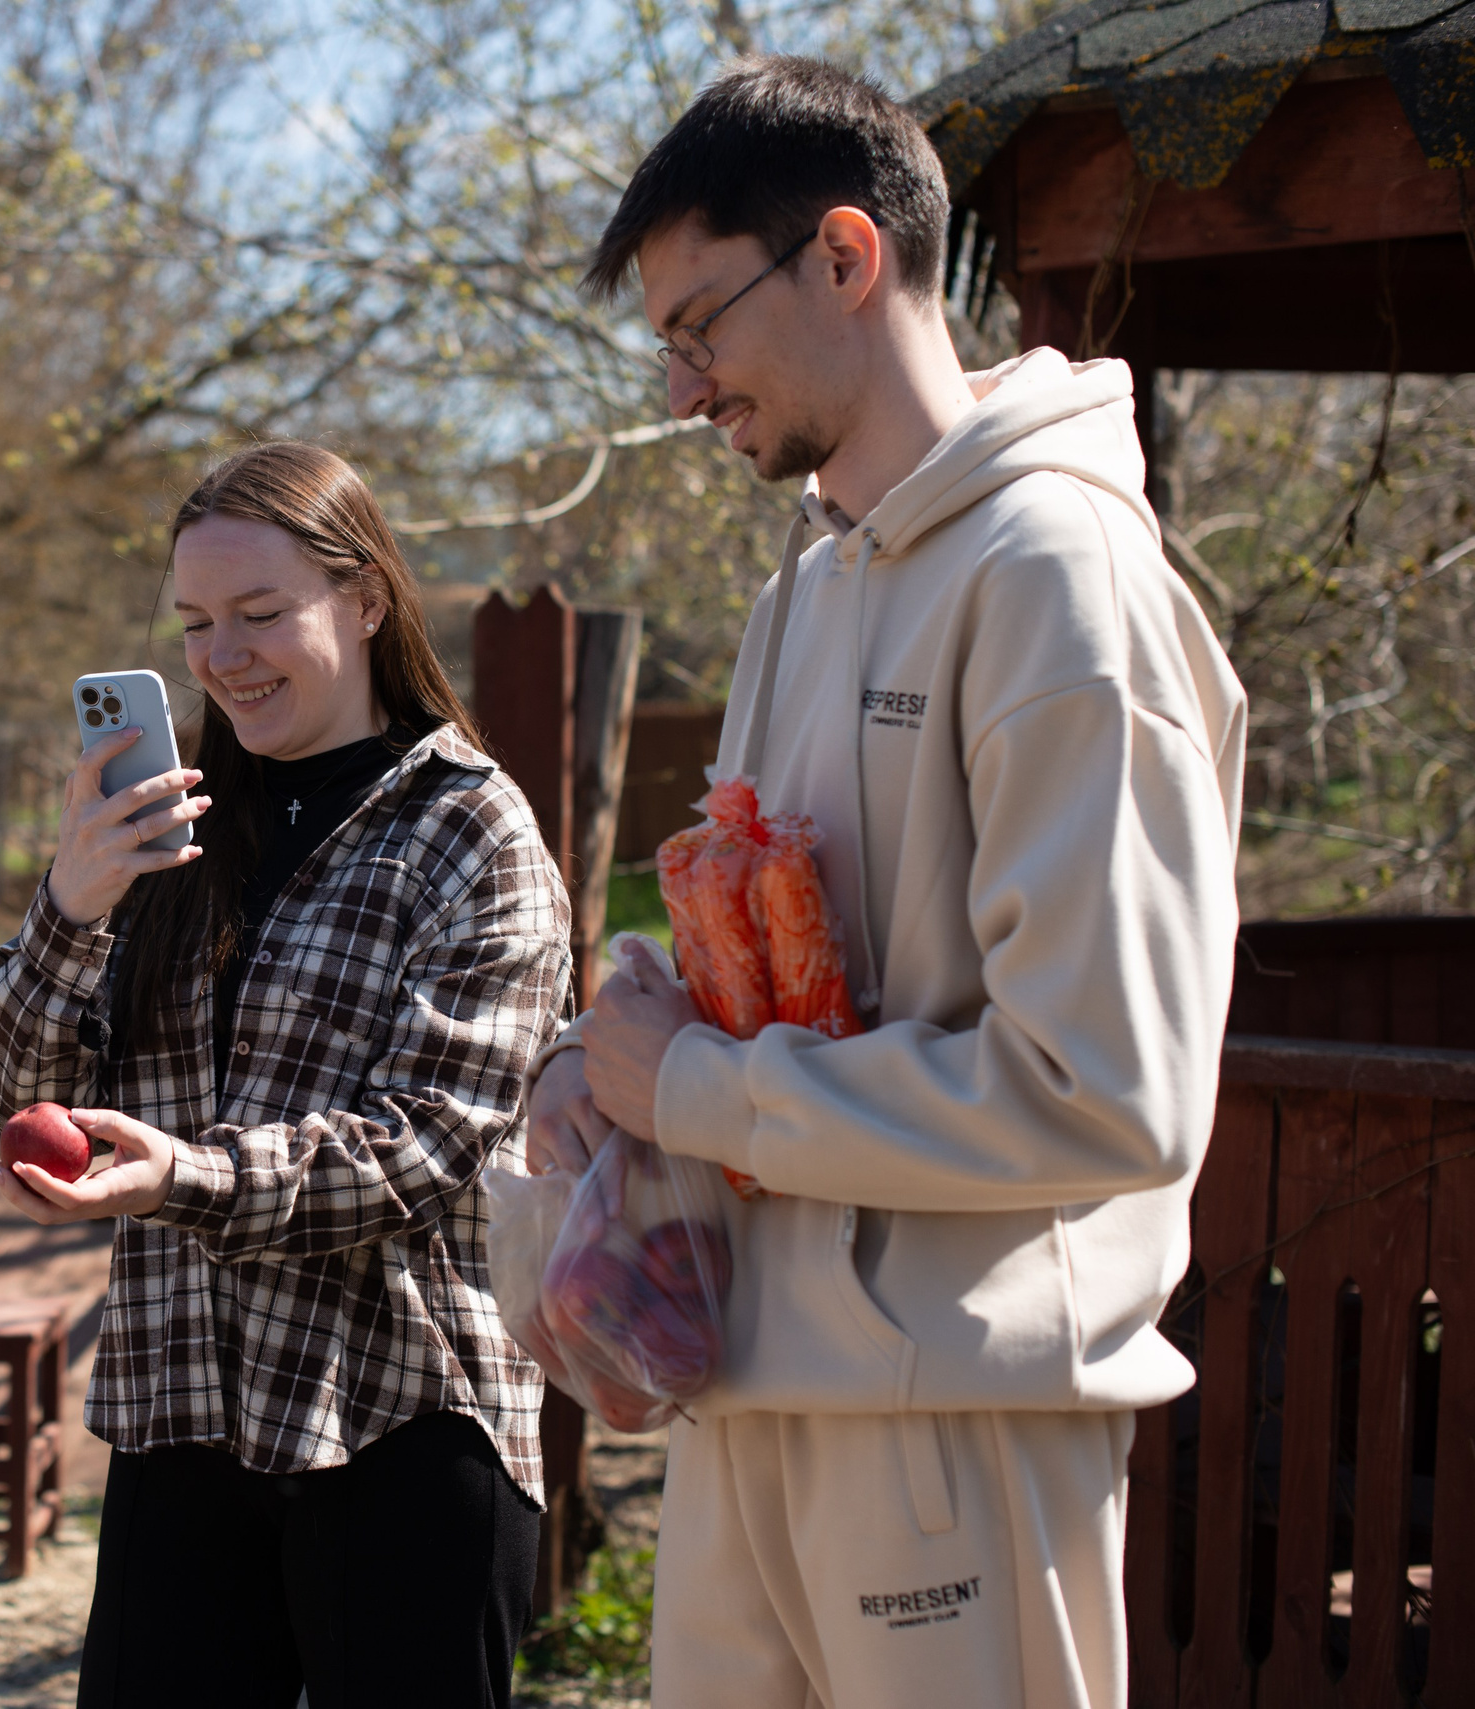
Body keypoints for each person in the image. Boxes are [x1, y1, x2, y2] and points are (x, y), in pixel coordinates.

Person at [525, 57, 1246, 1709]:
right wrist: (623, 1052)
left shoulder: (1061, 580)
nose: (683, 386)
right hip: (750, 1400)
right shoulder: (805, 588)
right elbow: (793, 966)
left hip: (954, 1419)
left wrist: (701, 1085)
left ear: (847, 256)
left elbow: (1109, 1093)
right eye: (666, 343)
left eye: (701, 326)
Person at [0, 441, 570, 1709]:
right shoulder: (167, 826)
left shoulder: (470, 830)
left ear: (365, 600)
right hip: (180, 1398)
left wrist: (180, 1175)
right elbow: (16, 1078)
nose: (221, 655)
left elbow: (424, 1141)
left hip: (403, 1411)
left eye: (260, 613)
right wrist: (72, 902)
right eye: (193, 622)